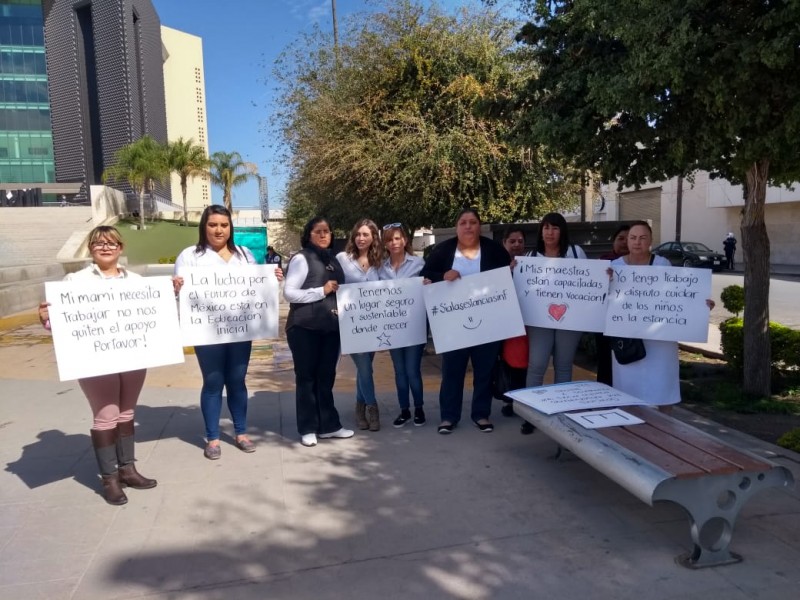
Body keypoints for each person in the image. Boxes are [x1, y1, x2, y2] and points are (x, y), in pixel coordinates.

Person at [38, 226, 156, 505]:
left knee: (127, 413)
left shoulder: (137, 280)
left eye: (112, 242)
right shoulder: (73, 281)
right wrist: (46, 317)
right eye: (99, 243)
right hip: (94, 360)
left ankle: (128, 469)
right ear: (90, 248)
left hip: (132, 356)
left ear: (120, 247)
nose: (106, 247)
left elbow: (154, 313)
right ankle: (110, 479)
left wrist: (173, 292)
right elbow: (59, 323)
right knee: (107, 415)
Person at [174, 205, 282, 460]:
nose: (219, 230)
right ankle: (212, 438)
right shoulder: (190, 256)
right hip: (207, 332)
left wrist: (273, 278)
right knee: (212, 382)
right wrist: (176, 287)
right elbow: (179, 293)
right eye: (213, 225)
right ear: (204, 227)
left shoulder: (243, 254)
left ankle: (241, 433)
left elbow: (258, 288)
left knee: (237, 380)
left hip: (239, 330)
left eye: (224, 224)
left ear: (230, 227)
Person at [421, 208, 511, 434]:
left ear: (480, 226)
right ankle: (448, 417)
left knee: (484, 371)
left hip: (488, 324)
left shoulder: (494, 250)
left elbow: (506, 280)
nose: (468, 226)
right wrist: (443, 276)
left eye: (473, 222)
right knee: (452, 371)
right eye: (463, 222)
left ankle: (481, 414)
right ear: (457, 226)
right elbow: (425, 276)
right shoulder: (443, 250)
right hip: (453, 325)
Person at [610, 221, 715, 406]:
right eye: (633, 238)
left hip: (660, 340)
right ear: (627, 241)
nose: (637, 242)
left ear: (650, 240)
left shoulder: (662, 264)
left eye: (643, 238)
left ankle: (663, 429)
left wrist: (700, 305)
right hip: (628, 340)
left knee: (662, 387)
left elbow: (677, 295)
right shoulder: (614, 267)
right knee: (627, 391)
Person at [284, 216, 354, 447]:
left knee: (326, 377)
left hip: (330, 327)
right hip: (305, 328)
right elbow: (290, 293)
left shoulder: (333, 259)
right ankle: (308, 427)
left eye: (327, 231)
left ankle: (329, 425)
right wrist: (320, 291)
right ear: (309, 235)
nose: (324, 235)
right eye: (318, 231)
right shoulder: (301, 259)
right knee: (306, 378)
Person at [522, 212, 588, 433]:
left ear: (563, 231)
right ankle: (530, 414)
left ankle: (563, 413)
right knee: (537, 365)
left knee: (563, 365)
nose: (550, 232)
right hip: (539, 321)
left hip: (570, 320)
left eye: (555, 228)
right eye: (546, 227)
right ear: (541, 231)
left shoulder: (576, 253)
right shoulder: (531, 256)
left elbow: (589, 282)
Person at [335, 219, 385, 431]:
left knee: (364, 369)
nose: (361, 238)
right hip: (350, 323)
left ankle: (359, 407)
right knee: (365, 366)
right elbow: (333, 283)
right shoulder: (342, 259)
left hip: (374, 324)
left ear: (373, 237)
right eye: (358, 234)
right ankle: (373, 408)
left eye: (366, 234)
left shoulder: (381, 261)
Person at [379, 223, 427, 427]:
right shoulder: (380, 268)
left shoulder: (418, 263)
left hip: (415, 325)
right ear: (385, 244)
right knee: (399, 371)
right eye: (390, 239)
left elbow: (431, 288)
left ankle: (419, 408)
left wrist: (428, 284)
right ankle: (404, 410)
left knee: (412, 370)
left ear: (405, 240)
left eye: (397, 238)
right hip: (392, 327)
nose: (394, 242)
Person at [497, 226, 529, 418]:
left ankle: (519, 401)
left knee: (521, 362)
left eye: (520, 241)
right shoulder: (497, 264)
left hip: (525, 324)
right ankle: (510, 399)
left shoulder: (532, 265)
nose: (517, 245)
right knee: (507, 362)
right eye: (512, 241)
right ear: (504, 243)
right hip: (503, 323)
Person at [595, 224, 631, 386]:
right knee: (605, 364)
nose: (624, 243)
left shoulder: (646, 267)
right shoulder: (604, 262)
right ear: (613, 242)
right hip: (605, 325)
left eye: (628, 239)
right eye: (620, 238)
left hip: (631, 323)